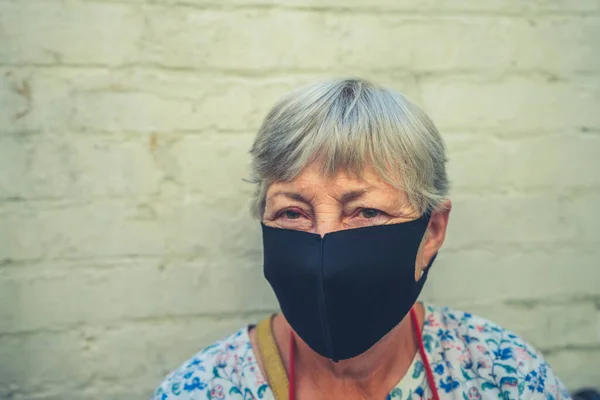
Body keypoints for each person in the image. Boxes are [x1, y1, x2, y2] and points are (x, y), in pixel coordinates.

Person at [153, 79, 570, 399]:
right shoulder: (203, 387)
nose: (325, 248)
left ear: (432, 232)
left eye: (367, 212)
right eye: (292, 212)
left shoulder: (503, 375)